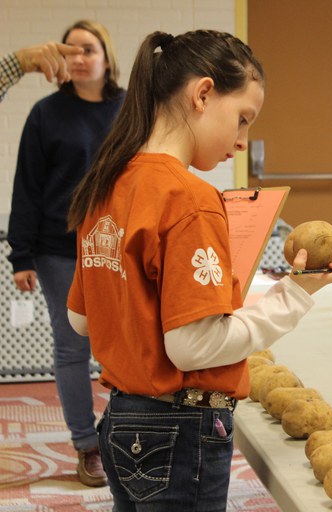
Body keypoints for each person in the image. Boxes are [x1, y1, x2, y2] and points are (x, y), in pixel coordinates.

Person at [65, 29, 332, 510]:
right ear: (202, 94)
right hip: (179, 429)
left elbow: (82, 320)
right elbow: (193, 347)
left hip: (121, 421)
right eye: (242, 119)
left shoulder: (107, 184)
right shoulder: (190, 199)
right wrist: (295, 296)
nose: (242, 141)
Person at [6, 20, 125, 487]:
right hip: (59, 251)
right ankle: (87, 447)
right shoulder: (45, 113)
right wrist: (21, 256)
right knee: (73, 348)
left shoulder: (129, 110)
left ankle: (122, 436)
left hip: (118, 248)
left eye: (88, 49)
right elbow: (27, 187)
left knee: (121, 349)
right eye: (69, 50)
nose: (78, 57)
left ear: (106, 56)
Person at [0, 42, 83, 102]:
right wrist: (18, 62)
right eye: (70, 52)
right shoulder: (43, 110)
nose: (78, 60)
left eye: (88, 51)